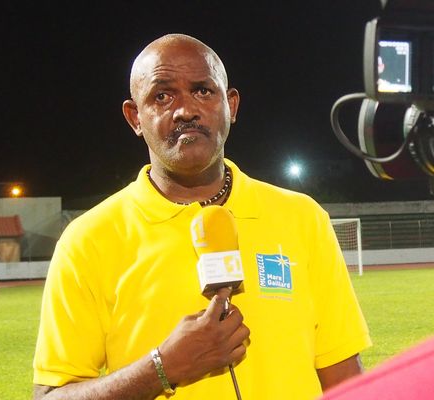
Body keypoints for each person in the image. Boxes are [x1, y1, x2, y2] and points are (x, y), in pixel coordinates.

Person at [32, 33, 371, 399]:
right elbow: (51, 395)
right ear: (135, 117)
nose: (186, 110)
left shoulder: (303, 218)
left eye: (203, 91)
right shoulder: (88, 239)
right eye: (162, 96)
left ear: (231, 105)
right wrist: (162, 368)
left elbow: (344, 377)